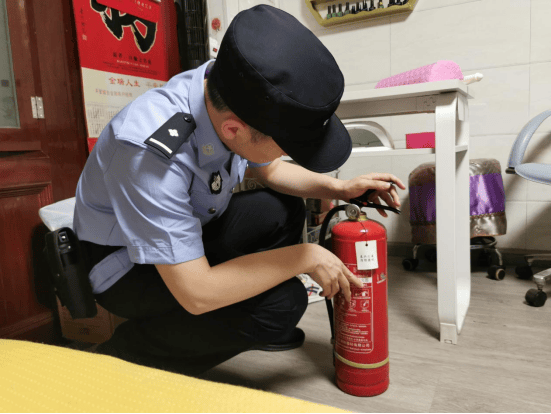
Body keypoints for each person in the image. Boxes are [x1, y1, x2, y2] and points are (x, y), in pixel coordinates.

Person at [73, 5, 405, 376]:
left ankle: (238, 313)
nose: (286, 154)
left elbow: (272, 170)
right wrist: (304, 257)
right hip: (125, 266)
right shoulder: (150, 153)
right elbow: (196, 293)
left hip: (188, 233)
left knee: (281, 207)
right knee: (282, 304)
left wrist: (341, 188)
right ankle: (128, 351)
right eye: (285, 144)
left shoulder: (224, 88)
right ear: (234, 131)